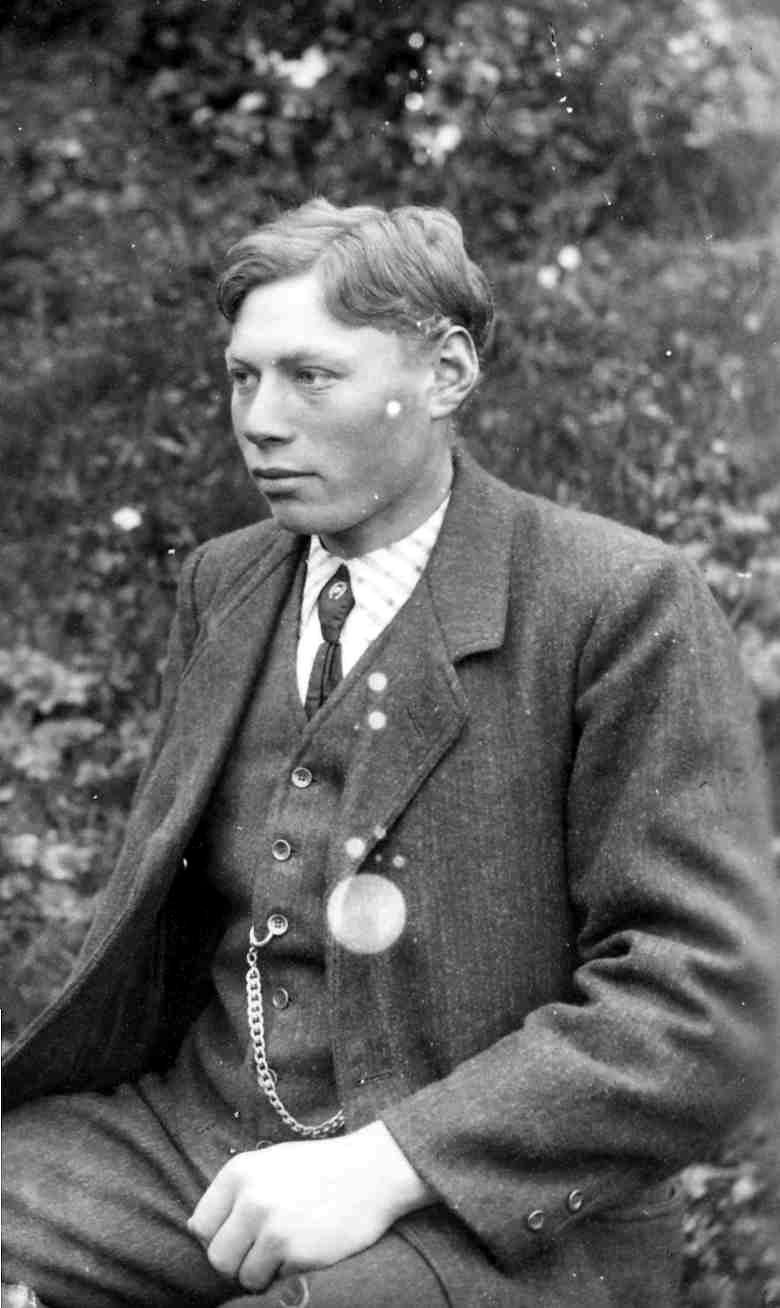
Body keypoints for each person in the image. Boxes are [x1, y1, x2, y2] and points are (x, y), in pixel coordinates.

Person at [2, 199, 777, 1308]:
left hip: (476, 1202)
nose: (262, 422)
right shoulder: (227, 583)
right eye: (242, 378)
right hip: (202, 1146)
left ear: (447, 372)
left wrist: (388, 1164)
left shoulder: (614, 602)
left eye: (311, 377)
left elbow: (706, 1000)